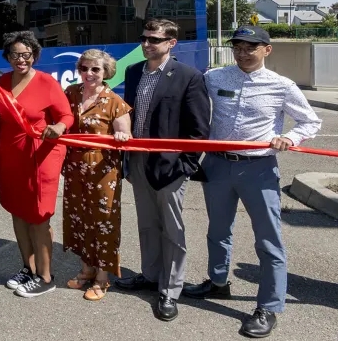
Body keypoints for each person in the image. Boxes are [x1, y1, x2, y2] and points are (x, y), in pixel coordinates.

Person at [183, 26, 321, 338]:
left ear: (266, 50)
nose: (243, 53)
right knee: (217, 231)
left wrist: (290, 136)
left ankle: (269, 306)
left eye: (251, 47)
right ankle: (217, 283)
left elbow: (310, 121)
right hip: (218, 166)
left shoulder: (282, 86)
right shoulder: (215, 77)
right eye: (238, 47)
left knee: (268, 240)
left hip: (258, 169)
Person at [115, 18, 210, 322]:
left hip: (170, 165)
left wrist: (185, 166)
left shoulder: (188, 76)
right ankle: (151, 275)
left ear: (171, 43)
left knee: (172, 230)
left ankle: (170, 289)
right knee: (146, 224)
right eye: (144, 38)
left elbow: (199, 130)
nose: (146, 44)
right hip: (138, 162)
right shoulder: (133, 72)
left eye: (153, 40)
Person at [0, 31, 73, 299]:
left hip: (41, 156)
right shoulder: (2, 82)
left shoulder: (47, 82)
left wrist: (59, 126)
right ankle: (28, 268)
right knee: (18, 212)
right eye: (15, 54)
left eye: (26, 54)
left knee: (39, 217)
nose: (20, 59)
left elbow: (66, 115)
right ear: (8, 57)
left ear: (34, 56)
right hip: (10, 157)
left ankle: (46, 277)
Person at [61, 49, 132, 301]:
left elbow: (125, 135)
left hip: (103, 170)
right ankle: (86, 269)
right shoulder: (70, 93)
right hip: (74, 168)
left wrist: (121, 136)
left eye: (95, 69)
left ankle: (102, 278)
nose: (89, 74)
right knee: (79, 219)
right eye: (84, 68)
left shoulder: (114, 101)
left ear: (105, 72)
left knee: (103, 221)